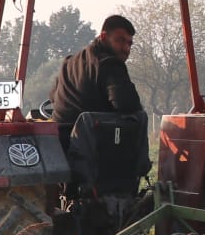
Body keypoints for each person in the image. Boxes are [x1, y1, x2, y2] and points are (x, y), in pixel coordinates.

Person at [50, 14, 143, 144]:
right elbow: (128, 104)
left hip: (59, 144)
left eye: (129, 43)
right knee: (140, 117)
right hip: (91, 147)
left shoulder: (69, 62)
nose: (126, 48)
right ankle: (138, 164)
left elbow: (53, 97)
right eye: (120, 40)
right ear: (104, 37)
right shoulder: (111, 64)